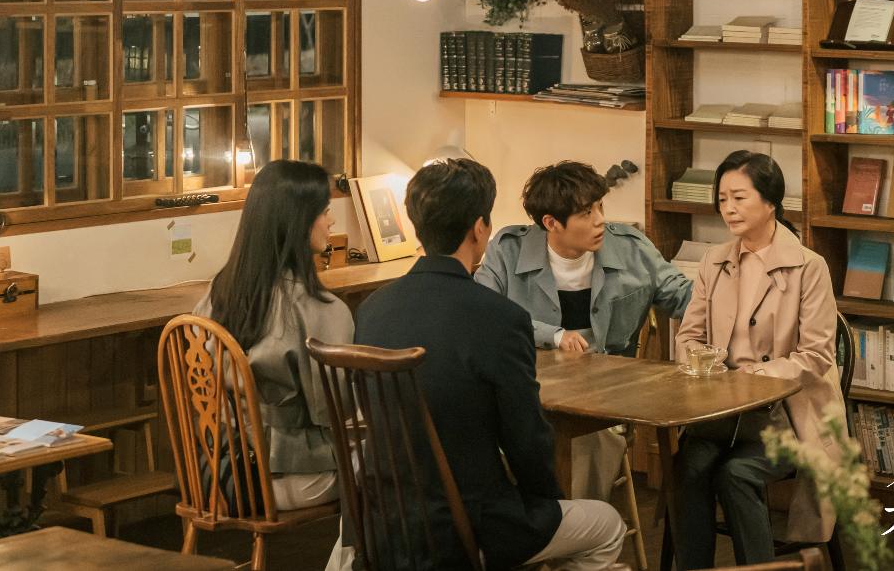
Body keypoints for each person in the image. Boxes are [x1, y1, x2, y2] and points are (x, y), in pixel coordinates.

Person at [354, 158, 625, 571]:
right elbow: (526, 439)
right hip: (469, 528)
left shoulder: (372, 309)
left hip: (385, 524)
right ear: (480, 228)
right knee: (606, 525)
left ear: (416, 225)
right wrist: (547, 502)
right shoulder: (499, 318)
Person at [475, 160, 693, 499]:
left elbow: (684, 297)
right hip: (526, 388)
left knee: (588, 439)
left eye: (600, 206)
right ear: (551, 223)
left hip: (605, 397)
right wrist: (553, 335)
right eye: (586, 213)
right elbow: (482, 313)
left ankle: (571, 523)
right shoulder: (507, 250)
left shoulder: (632, 248)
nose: (600, 219)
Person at [673, 150, 846, 569]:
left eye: (739, 198)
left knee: (736, 474)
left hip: (785, 417)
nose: (728, 209)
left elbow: (817, 354)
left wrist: (756, 374)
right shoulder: (714, 261)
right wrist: (708, 366)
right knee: (686, 469)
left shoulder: (809, 267)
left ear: (770, 202)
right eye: (722, 199)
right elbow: (689, 336)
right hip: (720, 412)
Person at [192, 159, 351, 513]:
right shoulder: (319, 308)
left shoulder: (218, 292)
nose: (332, 221)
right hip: (289, 476)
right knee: (394, 468)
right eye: (325, 210)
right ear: (298, 221)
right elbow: (337, 408)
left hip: (221, 471)